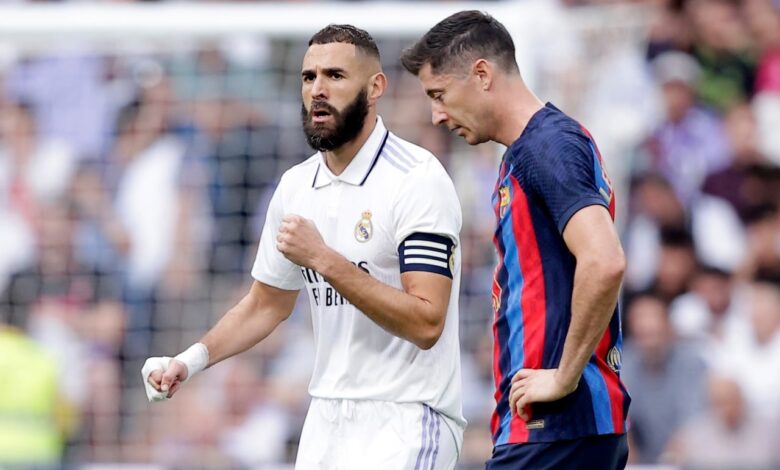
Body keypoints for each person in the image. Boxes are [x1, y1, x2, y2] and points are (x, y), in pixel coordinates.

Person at [141, 24, 465, 469]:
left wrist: (324, 260)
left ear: (375, 88)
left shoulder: (417, 179)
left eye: (334, 76)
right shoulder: (296, 187)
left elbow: (427, 322)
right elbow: (265, 304)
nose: (317, 90)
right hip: (327, 421)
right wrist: (190, 361)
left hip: (407, 417)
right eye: (308, 77)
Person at [402, 11, 630, 469]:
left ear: (482, 74)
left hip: (557, 426)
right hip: (556, 428)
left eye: (440, 94)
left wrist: (563, 377)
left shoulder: (546, 146)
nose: (437, 114)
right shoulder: (526, 152)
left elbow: (604, 261)